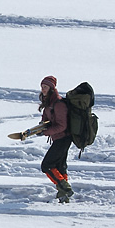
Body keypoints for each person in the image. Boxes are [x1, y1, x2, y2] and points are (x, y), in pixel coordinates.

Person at [38, 75, 74, 203]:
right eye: (42, 86)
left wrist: (46, 132)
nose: (43, 89)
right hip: (58, 138)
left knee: (46, 165)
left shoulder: (58, 103)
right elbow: (47, 120)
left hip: (63, 138)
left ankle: (65, 188)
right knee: (60, 167)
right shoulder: (49, 102)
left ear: (52, 88)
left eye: (46, 87)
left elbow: (62, 125)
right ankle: (63, 195)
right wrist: (40, 128)